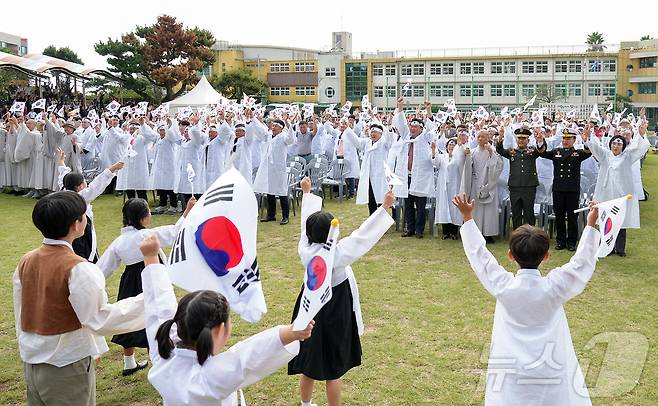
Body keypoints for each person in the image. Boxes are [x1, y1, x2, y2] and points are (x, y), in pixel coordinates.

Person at [453, 193, 600, 406]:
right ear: (547, 255)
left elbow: (480, 256)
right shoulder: (554, 287)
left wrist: (467, 218)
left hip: (511, 374)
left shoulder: (504, 287)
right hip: (549, 369)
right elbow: (582, 264)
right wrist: (590, 225)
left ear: (511, 255)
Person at [137, 234, 314, 406]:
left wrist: (151, 258)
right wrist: (290, 333)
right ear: (220, 330)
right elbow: (248, 356)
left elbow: (159, 308)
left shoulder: (163, 356)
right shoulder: (209, 378)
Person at [14, 191, 144, 406]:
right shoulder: (78, 268)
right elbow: (100, 318)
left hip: (33, 359)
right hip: (65, 364)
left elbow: (22, 313)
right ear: (76, 224)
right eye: (84, 215)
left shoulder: (26, 260)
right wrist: (150, 301)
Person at [289, 177, 395, 406]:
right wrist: (384, 207)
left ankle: (306, 404)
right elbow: (362, 236)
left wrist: (307, 194)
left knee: (308, 359)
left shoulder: (305, 250)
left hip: (310, 303)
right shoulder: (337, 254)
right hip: (336, 305)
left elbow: (304, 228)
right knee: (333, 368)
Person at [97, 196, 196, 376]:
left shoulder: (119, 241)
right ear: (142, 218)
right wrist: (188, 210)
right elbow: (175, 232)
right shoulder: (146, 235)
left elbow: (103, 268)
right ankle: (162, 360)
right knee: (158, 317)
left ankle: (129, 362)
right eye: (148, 213)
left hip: (129, 281)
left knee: (128, 319)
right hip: (150, 277)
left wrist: (93, 282)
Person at [584, 120, 650, 256]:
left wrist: (642, 135)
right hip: (605, 193)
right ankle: (606, 247)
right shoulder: (604, 155)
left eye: (619, 143)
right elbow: (594, 147)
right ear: (610, 145)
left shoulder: (628, 156)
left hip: (622, 194)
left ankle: (620, 249)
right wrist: (589, 136)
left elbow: (640, 149)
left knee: (620, 220)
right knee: (606, 220)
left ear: (623, 146)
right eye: (614, 143)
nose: (616, 146)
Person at [57, 148, 124, 262]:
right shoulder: (80, 197)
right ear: (79, 186)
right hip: (82, 236)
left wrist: (61, 162)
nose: (86, 183)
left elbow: (63, 175)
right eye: (84, 182)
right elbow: (97, 186)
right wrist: (112, 169)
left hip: (67, 235)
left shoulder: (63, 191)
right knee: (86, 259)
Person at [536, 128, 592, 251]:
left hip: (572, 190)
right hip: (558, 189)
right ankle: (560, 241)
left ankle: (572, 241)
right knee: (559, 216)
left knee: (572, 217)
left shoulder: (577, 153)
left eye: (568, 138)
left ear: (574, 140)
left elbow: (588, 152)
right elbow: (542, 153)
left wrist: (586, 140)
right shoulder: (557, 152)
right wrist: (540, 141)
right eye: (564, 138)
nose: (565, 141)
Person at [393, 98, 436, 238]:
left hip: (421, 177)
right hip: (407, 176)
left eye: (415, 127)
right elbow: (401, 123)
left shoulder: (424, 138)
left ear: (421, 129)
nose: (412, 128)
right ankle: (409, 228)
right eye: (411, 126)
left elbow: (431, 128)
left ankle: (419, 230)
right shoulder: (406, 137)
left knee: (420, 205)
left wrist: (429, 110)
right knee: (408, 204)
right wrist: (400, 107)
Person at [461, 130, 503, 243]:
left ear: (488, 138)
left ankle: (488, 234)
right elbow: (468, 167)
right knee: (476, 211)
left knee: (489, 210)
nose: (480, 139)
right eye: (478, 136)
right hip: (475, 185)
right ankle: (475, 234)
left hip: (489, 185)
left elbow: (499, 166)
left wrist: (491, 154)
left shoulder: (492, 151)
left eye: (483, 137)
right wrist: (467, 156)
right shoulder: (473, 152)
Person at [343, 121, 393, 215]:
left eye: (375, 132)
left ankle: (382, 218)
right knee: (371, 199)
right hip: (369, 176)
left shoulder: (384, 143)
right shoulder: (367, 142)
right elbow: (356, 141)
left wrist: (389, 126)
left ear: (380, 134)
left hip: (381, 176)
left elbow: (390, 139)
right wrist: (347, 129)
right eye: (372, 132)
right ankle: (372, 218)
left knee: (382, 198)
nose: (373, 134)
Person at [253, 117, 296, 225]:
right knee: (269, 191)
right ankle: (271, 215)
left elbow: (291, 139)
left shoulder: (284, 136)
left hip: (279, 168)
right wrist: (252, 119)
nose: (273, 128)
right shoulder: (268, 136)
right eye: (273, 126)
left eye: (276, 126)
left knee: (281, 192)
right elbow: (259, 131)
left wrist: (288, 123)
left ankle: (285, 216)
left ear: (281, 128)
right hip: (269, 168)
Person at [496, 126, 540, 229]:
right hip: (515, 187)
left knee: (529, 213)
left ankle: (530, 237)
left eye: (523, 138)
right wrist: (501, 137)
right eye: (519, 138)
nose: (521, 140)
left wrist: (539, 139)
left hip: (529, 186)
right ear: (516, 139)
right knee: (516, 213)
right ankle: (517, 237)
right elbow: (499, 150)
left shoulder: (532, 151)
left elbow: (541, 150)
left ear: (528, 140)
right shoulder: (512, 152)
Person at [433, 136, 467, 239]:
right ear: (446, 147)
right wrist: (434, 149)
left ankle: (453, 232)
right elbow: (436, 163)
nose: (451, 147)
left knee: (454, 208)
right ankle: (445, 232)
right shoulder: (443, 157)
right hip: (443, 185)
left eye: (453, 145)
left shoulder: (458, 157)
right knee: (444, 207)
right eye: (449, 145)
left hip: (454, 185)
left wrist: (460, 146)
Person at [144, 119, 179, 214]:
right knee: (161, 186)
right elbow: (148, 134)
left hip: (169, 166)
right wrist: (143, 124)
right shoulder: (158, 139)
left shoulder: (169, 138)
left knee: (170, 186)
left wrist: (171, 124)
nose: (162, 132)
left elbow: (174, 135)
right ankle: (162, 205)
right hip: (160, 166)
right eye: (160, 130)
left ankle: (173, 205)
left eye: (164, 130)